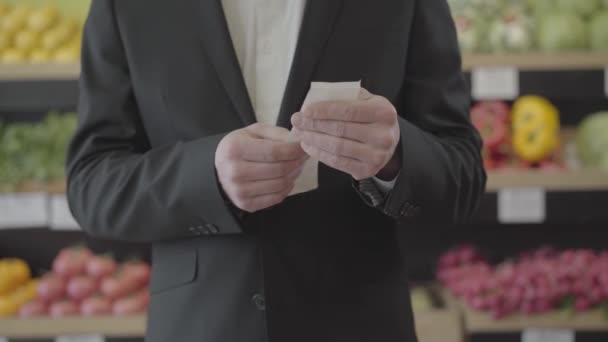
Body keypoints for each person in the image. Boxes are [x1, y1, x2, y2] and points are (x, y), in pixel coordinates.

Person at [66, 1, 486, 341]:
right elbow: (91, 182)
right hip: (202, 325)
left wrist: (395, 156)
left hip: (358, 321)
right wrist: (206, 178)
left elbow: (463, 175)